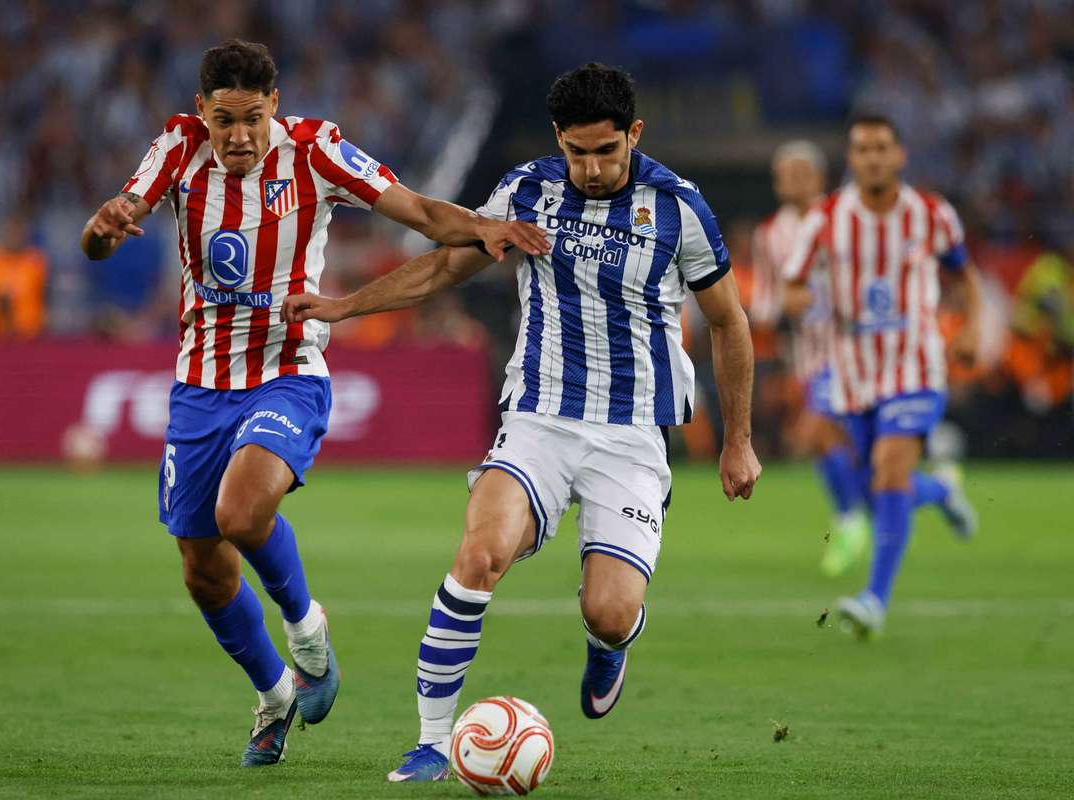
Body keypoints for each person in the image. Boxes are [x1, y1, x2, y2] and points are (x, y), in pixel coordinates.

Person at [283, 63, 762, 782]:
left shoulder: (678, 208)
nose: (592, 168)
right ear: (557, 140)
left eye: (607, 150)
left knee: (608, 610)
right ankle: (431, 743)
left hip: (631, 436)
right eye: (578, 152)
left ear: (635, 133)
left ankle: (610, 645)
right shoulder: (525, 192)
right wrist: (343, 307)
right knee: (478, 555)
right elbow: (445, 269)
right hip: (538, 419)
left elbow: (729, 323)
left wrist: (739, 441)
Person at [79, 39, 547, 768]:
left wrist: (479, 226)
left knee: (243, 511)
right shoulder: (176, 146)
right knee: (202, 566)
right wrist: (100, 229)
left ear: (276, 107)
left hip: (289, 368)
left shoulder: (315, 149)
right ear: (201, 111)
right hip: (201, 382)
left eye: (253, 118)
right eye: (224, 119)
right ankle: (274, 694)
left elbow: (417, 210)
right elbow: (115, 224)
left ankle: (306, 632)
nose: (238, 136)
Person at [782, 113, 981, 639]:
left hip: (916, 367)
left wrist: (971, 329)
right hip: (853, 375)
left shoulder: (932, 215)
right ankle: (940, 490)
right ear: (852, 158)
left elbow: (964, 277)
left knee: (889, 470)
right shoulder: (826, 218)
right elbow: (793, 287)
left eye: (882, 148)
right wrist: (814, 303)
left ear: (899, 156)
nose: (873, 157)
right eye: (863, 149)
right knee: (878, 487)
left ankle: (874, 600)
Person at [752, 141, 870, 576]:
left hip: (858, 351)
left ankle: (849, 522)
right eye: (784, 173)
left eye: (800, 172)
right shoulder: (769, 234)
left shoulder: (846, 218)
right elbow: (765, 305)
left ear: (819, 178)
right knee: (865, 461)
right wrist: (783, 307)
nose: (791, 181)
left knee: (814, 434)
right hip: (808, 358)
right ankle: (940, 492)